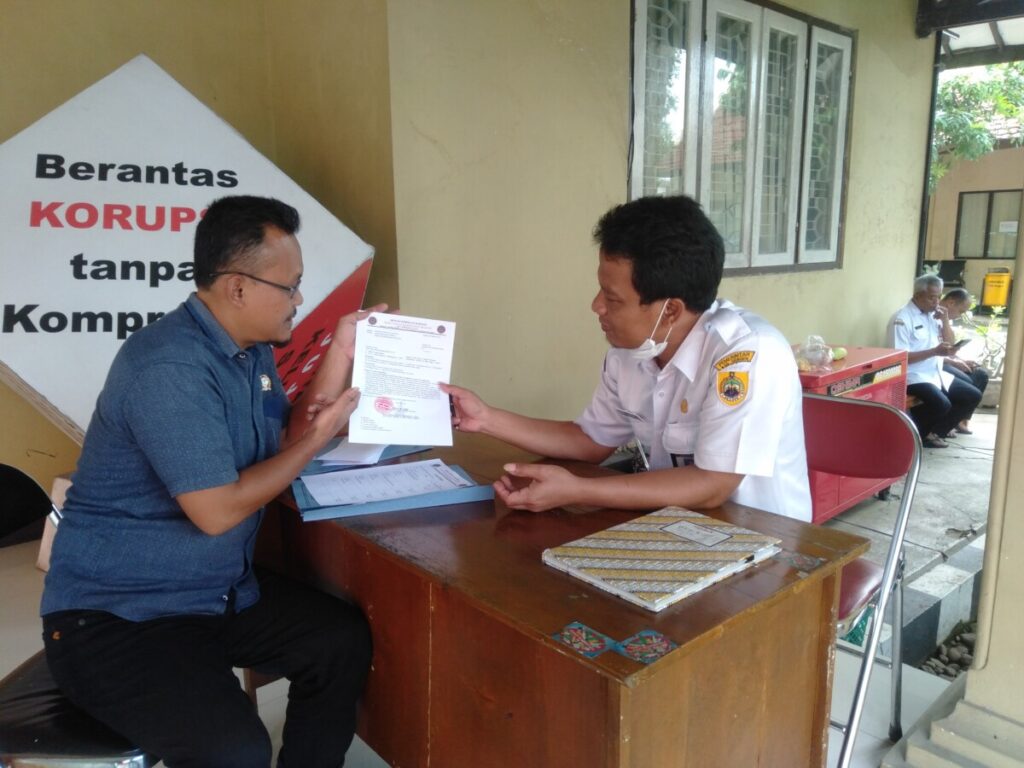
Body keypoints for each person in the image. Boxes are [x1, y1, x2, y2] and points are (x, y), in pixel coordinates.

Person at [41, 196, 380, 767]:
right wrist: (315, 442)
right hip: (119, 617)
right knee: (235, 752)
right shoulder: (169, 367)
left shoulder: (247, 351)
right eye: (291, 287)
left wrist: (342, 349)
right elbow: (217, 511)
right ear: (238, 288)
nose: (299, 301)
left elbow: (290, 434)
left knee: (337, 640)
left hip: (215, 594)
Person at [442, 195, 812, 521]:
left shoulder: (746, 355)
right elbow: (590, 440)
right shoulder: (632, 352)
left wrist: (578, 491)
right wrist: (486, 418)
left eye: (612, 298)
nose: (596, 306)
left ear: (670, 310)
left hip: (767, 546)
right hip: (678, 528)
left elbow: (712, 485)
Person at [886, 275, 981, 448]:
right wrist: (934, 352)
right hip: (912, 375)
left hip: (934, 371)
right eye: (932, 297)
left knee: (971, 395)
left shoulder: (932, 315)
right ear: (918, 295)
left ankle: (934, 433)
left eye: (938, 297)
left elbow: (950, 342)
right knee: (941, 404)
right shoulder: (902, 318)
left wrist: (945, 320)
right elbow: (900, 358)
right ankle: (912, 440)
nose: (936, 302)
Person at [939, 287, 990, 435]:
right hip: (936, 365)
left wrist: (960, 360)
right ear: (951, 303)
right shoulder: (930, 317)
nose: (960, 316)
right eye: (961, 311)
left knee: (980, 374)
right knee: (968, 382)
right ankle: (944, 425)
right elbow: (933, 351)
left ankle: (961, 420)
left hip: (944, 360)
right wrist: (953, 362)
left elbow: (949, 345)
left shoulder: (944, 318)